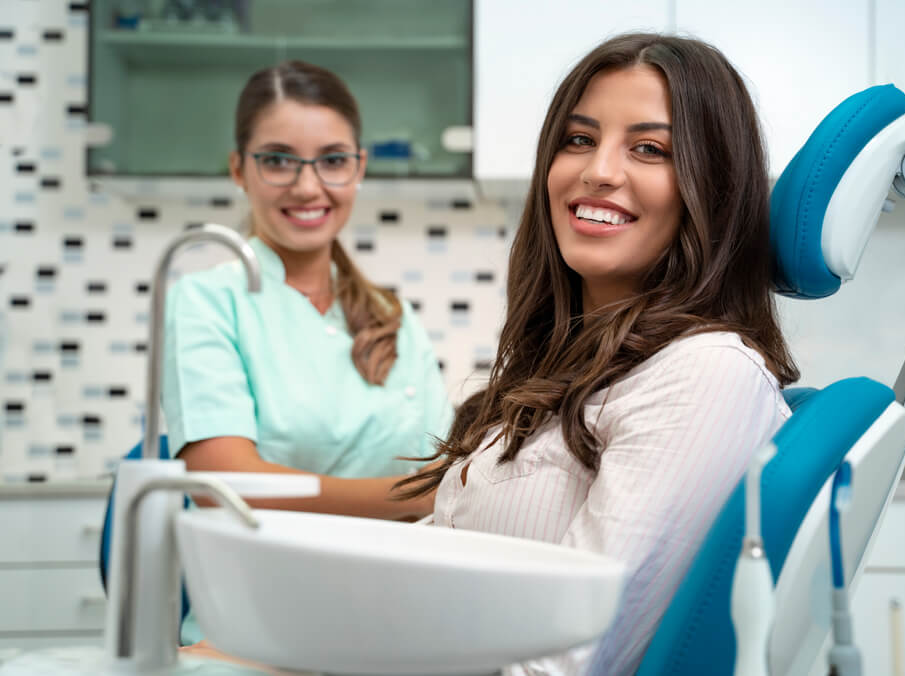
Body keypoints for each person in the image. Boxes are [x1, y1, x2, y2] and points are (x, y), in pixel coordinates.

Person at [185, 32, 799, 674]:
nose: (598, 170)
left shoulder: (704, 373)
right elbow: (437, 563)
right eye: (579, 139)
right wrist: (268, 647)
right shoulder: (563, 374)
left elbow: (567, 654)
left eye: (649, 148)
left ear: (714, 187)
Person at [162, 61, 453, 643]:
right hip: (257, 627)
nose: (307, 186)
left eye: (333, 160)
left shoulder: (394, 318)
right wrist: (409, 495)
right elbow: (223, 485)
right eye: (276, 160)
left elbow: (446, 472)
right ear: (238, 169)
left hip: (400, 620)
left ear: (359, 168)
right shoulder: (206, 301)